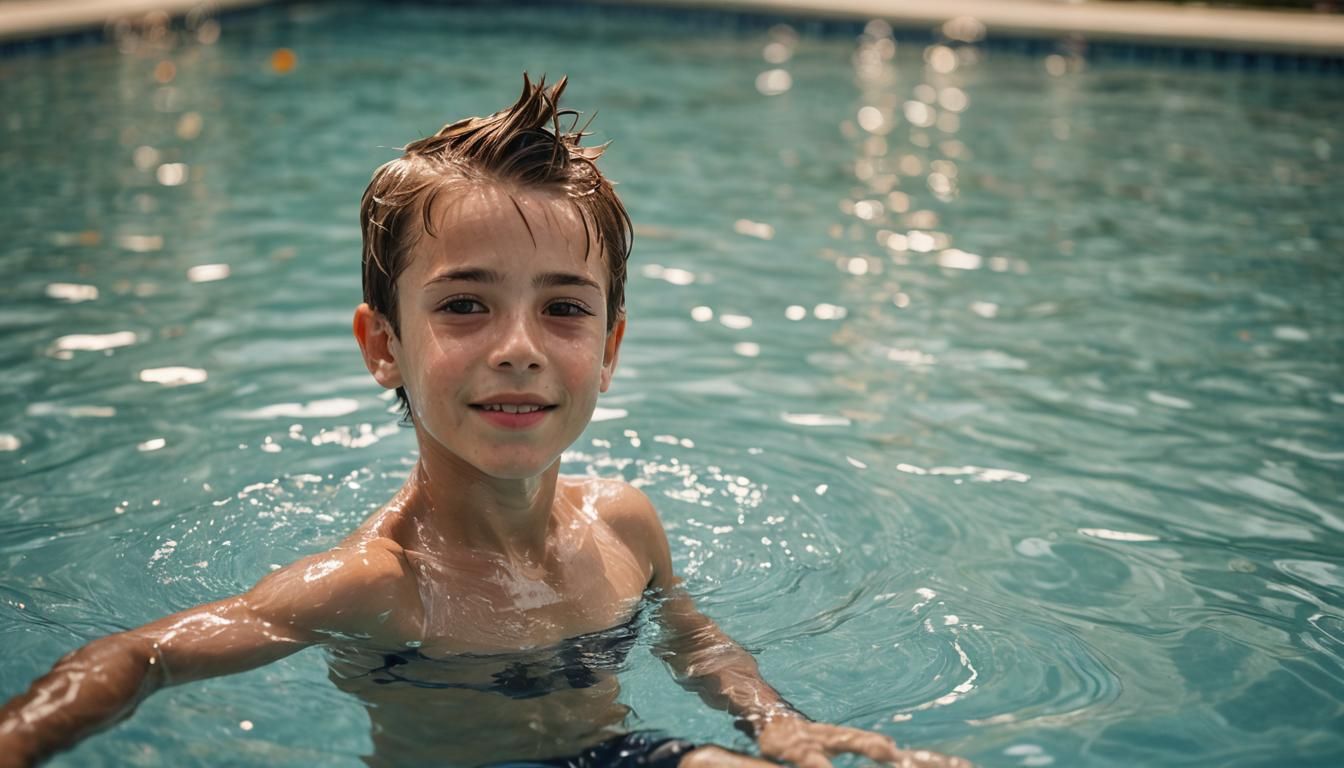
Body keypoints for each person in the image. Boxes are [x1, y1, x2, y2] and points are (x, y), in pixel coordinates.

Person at [0, 75, 968, 768]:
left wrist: (774, 722)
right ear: (384, 346)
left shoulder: (624, 524)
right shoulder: (376, 587)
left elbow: (697, 643)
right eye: (465, 306)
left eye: (563, 308)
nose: (519, 347)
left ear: (613, 345)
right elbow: (142, 654)